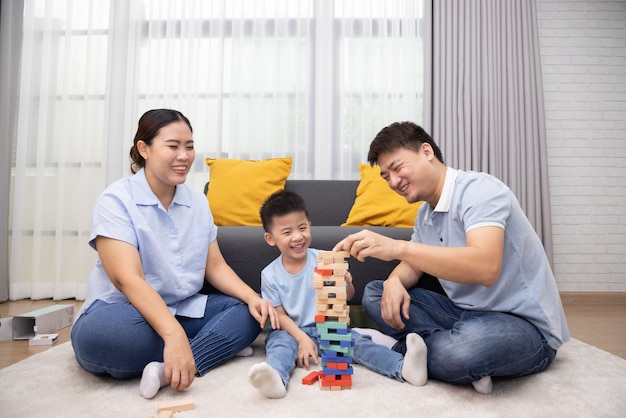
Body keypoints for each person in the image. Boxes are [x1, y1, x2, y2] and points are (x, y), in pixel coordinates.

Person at [333, 121, 570, 394]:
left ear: (426, 152)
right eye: (386, 177)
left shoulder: (480, 191)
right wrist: (394, 281)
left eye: (397, 168)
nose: (394, 182)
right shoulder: (426, 214)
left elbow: (485, 267)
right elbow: (412, 265)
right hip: (463, 315)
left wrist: (398, 247)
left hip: (525, 326)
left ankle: (395, 348)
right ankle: (445, 354)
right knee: (376, 292)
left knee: (466, 349)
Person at [71, 109, 278, 399]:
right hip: (123, 312)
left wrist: (253, 298)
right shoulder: (116, 200)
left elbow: (215, 266)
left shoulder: (197, 202)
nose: (184, 156)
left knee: (247, 314)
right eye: (173, 146)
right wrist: (172, 333)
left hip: (182, 309)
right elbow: (126, 280)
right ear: (144, 149)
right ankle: (210, 346)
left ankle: (165, 368)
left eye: (189, 147)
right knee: (105, 338)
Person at [248, 190, 427, 399]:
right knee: (279, 345)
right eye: (287, 232)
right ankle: (276, 379)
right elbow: (280, 316)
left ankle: (403, 368)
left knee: (357, 342)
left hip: (327, 326)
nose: (297, 237)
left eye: (302, 228)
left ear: (309, 226)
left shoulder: (325, 259)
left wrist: (346, 285)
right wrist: (302, 338)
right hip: (290, 330)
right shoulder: (270, 274)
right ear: (271, 239)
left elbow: (346, 298)